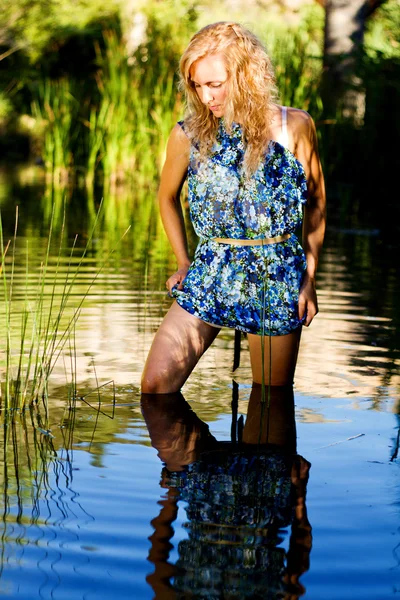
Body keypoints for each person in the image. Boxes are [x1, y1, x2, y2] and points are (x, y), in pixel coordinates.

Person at [141, 21, 326, 394]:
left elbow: (317, 202)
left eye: (214, 84)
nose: (206, 96)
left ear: (244, 74)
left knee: (268, 404)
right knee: (155, 387)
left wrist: (308, 279)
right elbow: (166, 196)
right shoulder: (188, 134)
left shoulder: (295, 126)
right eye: (196, 85)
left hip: (275, 275)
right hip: (211, 267)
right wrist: (182, 261)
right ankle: (198, 455)